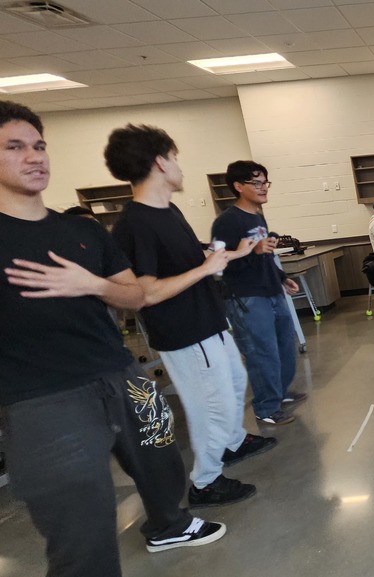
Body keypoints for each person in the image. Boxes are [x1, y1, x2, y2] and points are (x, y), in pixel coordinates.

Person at [0, 100, 225, 577]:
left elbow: (136, 294)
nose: (34, 156)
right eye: (14, 147)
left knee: (163, 457)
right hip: (41, 396)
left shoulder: (80, 231)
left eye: (39, 145)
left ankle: (169, 524)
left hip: (122, 373)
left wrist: (93, 285)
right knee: (82, 514)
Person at [105, 124, 275, 510]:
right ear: (160, 162)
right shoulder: (135, 223)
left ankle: (231, 444)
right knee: (210, 407)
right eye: (176, 158)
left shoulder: (168, 210)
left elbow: (197, 262)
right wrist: (203, 270)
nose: (180, 167)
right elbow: (145, 292)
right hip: (185, 332)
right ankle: (205, 482)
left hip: (209, 321)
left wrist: (237, 254)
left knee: (233, 385)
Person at [211, 160, 305, 424]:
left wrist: (282, 278)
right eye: (256, 183)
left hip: (271, 290)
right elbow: (220, 263)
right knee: (262, 352)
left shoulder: (258, 216)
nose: (263, 188)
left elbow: (264, 256)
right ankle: (266, 408)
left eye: (265, 182)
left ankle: (280, 393)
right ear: (238, 186)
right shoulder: (226, 222)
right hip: (246, 297)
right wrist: (251, 251)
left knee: (285, 345)